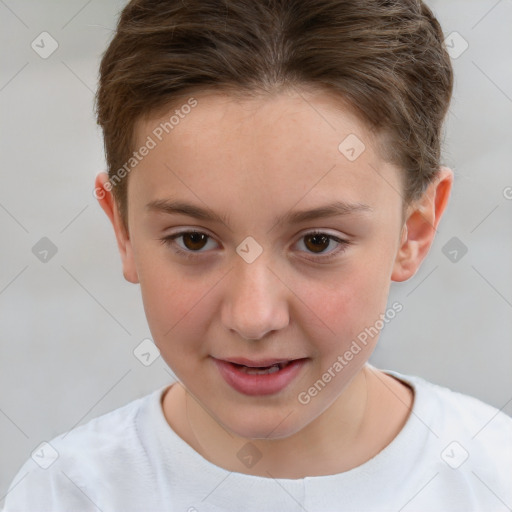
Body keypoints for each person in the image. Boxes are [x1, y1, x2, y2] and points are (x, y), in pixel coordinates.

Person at [3, 0, 511, 510]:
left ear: (414, 232)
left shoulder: (494, 478)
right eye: (194, 240)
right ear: (124, 230)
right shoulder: (65, 494)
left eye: (318, 242)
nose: (253, 317)